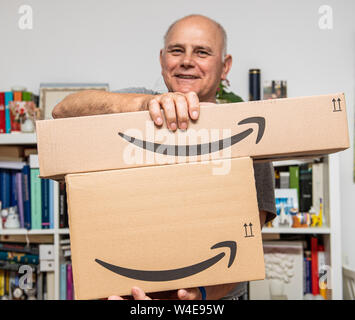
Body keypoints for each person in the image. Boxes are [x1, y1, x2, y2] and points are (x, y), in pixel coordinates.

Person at [52, 14, 276, 300]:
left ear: (225, 66)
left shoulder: (246, 133)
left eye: (202, 52)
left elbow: (246, 248)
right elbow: (62, 112)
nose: (186, 60)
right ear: (162, 60)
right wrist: (143, 104)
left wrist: (197, 295)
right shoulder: (131, 109)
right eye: (176, 50)